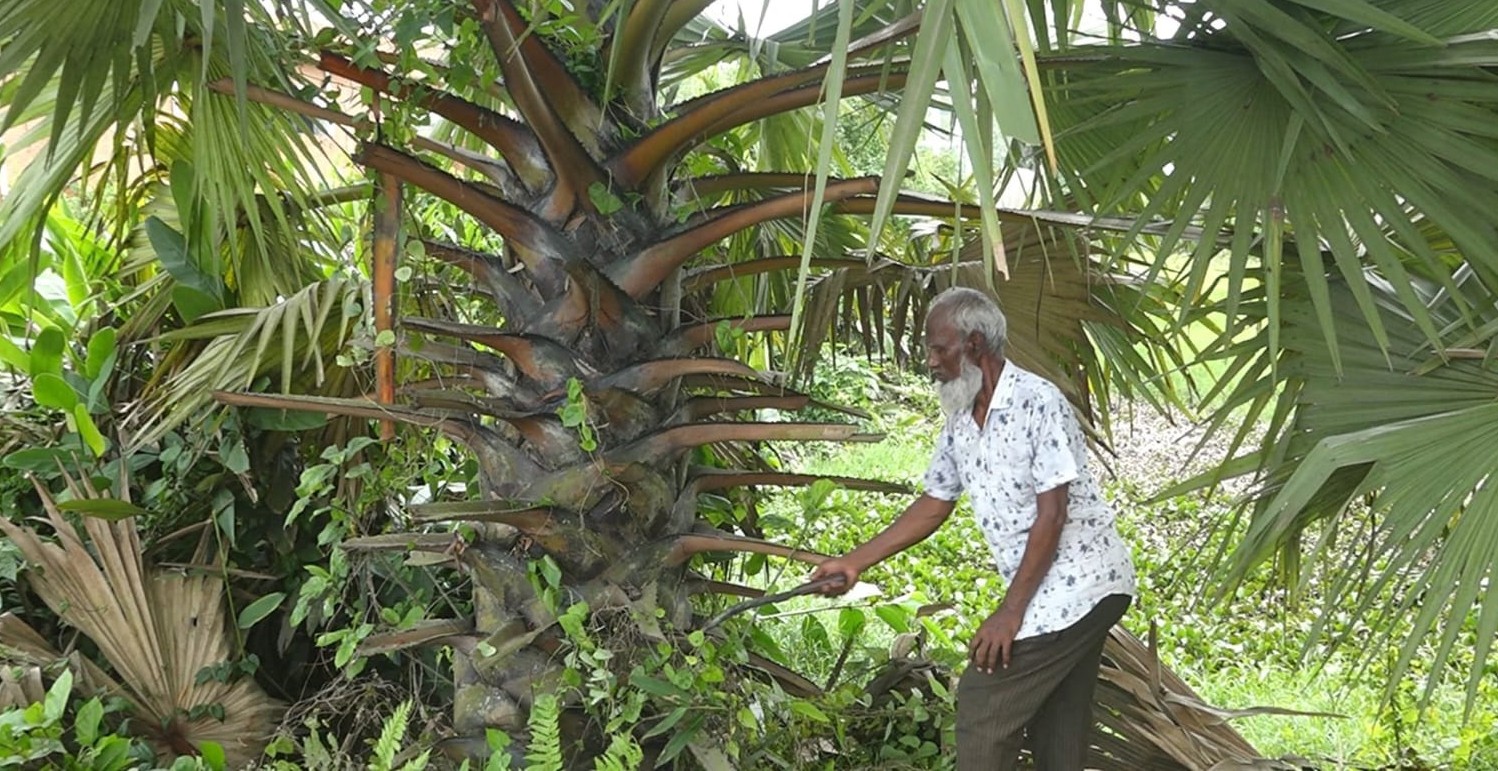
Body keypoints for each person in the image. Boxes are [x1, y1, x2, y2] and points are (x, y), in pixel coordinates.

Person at [810, 287, 1135, 771]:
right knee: (1058, 729)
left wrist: (1009, 613)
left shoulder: (1036, 403)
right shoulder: (961, 416)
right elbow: (935, 501)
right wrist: (854, 562)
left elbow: (1053, 515)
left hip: (1083, 586)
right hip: (1056, 594)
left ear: (975, 345)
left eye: (939, 348)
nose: (930, 360)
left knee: (983, 703)